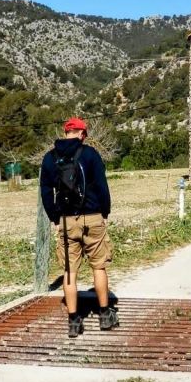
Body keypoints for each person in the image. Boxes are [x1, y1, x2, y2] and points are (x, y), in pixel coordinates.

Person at [40, 117, 118, 337]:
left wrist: (55, 217)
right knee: (99, 267)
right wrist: (105, 211)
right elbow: (102, 186)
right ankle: (104, 315)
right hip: (92, 218)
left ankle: (74, 322)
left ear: (65, 133)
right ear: (82, 134)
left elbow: (46, 192)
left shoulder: (50, 158)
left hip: (66, 221)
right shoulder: (90, 154)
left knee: (69, 272)